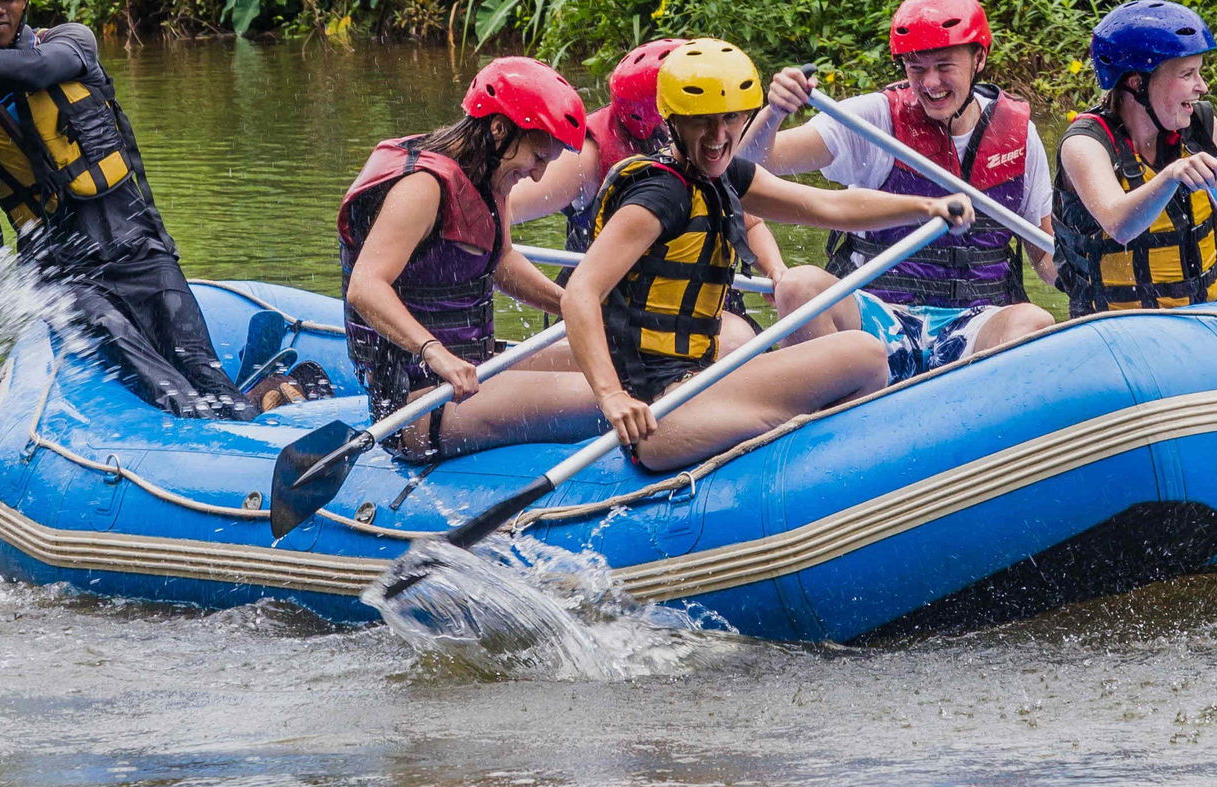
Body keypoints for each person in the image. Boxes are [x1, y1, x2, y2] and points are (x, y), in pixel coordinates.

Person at [564, 39, 972, 472]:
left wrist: (927, 207)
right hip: (661, 414)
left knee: (852, 356)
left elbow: (829, 206)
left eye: (730, 118)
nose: (718, 137)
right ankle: (817, 473)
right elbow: (580, 293)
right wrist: (612, 396)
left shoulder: (723, 175)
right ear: (673, 120)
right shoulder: (660, 195)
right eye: (701, 121)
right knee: (863, 354)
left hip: (694, 386)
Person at [0, 0, 256, 420]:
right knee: (164, 387)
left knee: (207, 376)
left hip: (140, 253)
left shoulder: (70, 43)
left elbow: (35, 70)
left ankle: (256, 423)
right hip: (62, 277)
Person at [736, 0, 1056, 381]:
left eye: (944, 66)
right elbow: (750, 165)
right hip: (877, 319)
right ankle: (835, 404)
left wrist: (1091, 269)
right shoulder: (874, 119)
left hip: (977, 324)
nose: (930, 83)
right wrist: (774, 112)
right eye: (916, 68)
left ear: (979, 58)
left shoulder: (1019, 136)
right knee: (797, 286)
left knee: (1034, 321)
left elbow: (1045, 257)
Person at [339, 57, 606, 461]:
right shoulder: (423, 186)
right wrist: (434, 352)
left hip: (476, 368)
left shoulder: (490, 175)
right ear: (498, 129)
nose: (538, 176)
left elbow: (501, 262)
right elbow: (365, 287)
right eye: (537, 158)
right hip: (420, 402)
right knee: (607, 394)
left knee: (626, 361)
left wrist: (573, 305)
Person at [506, 37, 783, 351]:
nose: (717, 130)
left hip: (702, 305)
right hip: (617, 312)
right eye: (701, 115)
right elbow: (503, 208)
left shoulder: (710, 156)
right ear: (669, 116)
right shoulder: (587, 157)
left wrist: (775, 270)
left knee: (736, 338)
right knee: (731, 340)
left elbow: (750, 224)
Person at [1052, 0, 1217, 317]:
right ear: (1138, 83)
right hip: (1113, 324)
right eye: (1187, 74)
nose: (1202, 87)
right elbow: (1119, 225)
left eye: (1199, 72)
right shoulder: (1085, 145)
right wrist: (1171, 176)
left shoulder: (1201, 127)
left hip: (1204, 316)